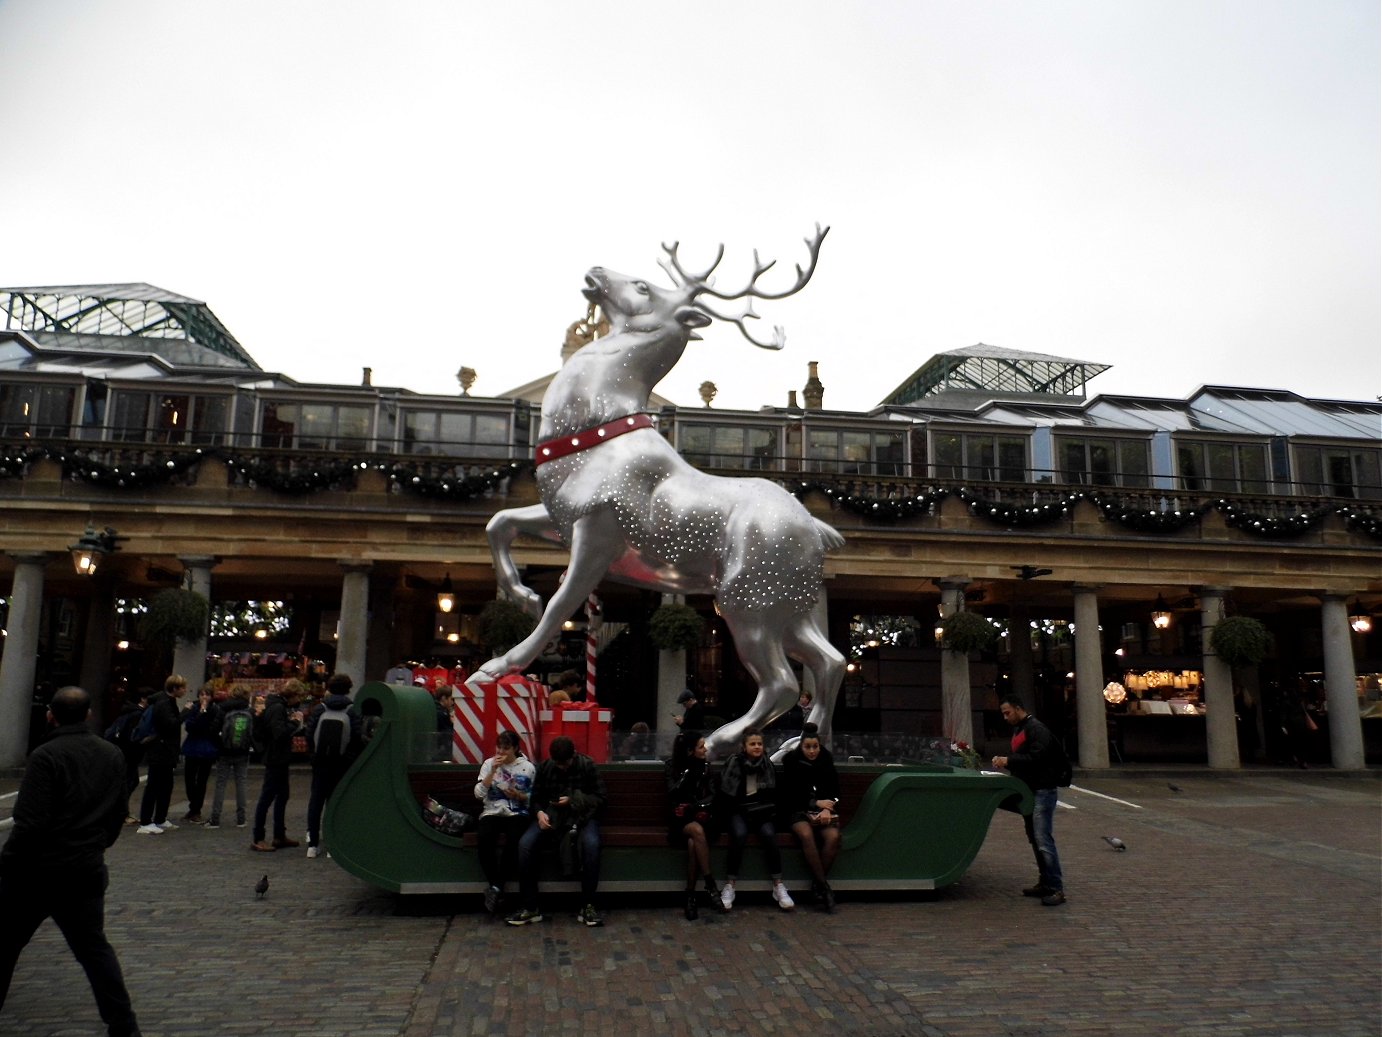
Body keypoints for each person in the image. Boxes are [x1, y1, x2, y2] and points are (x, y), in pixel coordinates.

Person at [0, 686, 142, 1037]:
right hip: (84, 868)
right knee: (94, 951)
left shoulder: (46, 756)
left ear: (51, 715)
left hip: (36, 872)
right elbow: (118, 810)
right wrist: (98, 844)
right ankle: (123, 1025)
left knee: (4, 946)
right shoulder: (111, 754)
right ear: (89, 714)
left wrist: (8, 862)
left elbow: (30, 823)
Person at [507, 735, 606, 927]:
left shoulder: (587, 766)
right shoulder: (546, 767)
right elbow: (535, 798)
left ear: (573, 755)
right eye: (557, 763)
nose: (561, 767)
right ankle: (530, 906)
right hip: (552, 816)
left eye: (565, 763)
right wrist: (540, 813)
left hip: (582, 817)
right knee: (525, 845)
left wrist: (573, 800)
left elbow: (601, 798)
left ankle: (588, 905)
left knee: (592, 845)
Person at [991, 693, 1067, 907]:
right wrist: (1009, 761)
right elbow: (1030, 757)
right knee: (1036, 837)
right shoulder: (1024, 728)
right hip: (1032, 789)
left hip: (1041, 790)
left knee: (1042, 838)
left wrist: (1009, 760)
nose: (1005, 717)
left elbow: (1038, 758)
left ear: (1017, 708)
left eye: (1007, 713)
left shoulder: (1036, 728)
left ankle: (1056, 887)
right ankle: (1046, 882)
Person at [717, 728, 794, 912]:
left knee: (769, 834)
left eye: (759, 743)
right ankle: (730, 884)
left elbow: (774, 795)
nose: (757, 747)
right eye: (752, 744)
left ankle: (778, 884)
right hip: (738, 811)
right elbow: (727, 794)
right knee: (739, 834)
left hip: (762, 813)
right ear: (744, 747)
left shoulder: (767, 765)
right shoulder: (734, 763)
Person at [779, 722, 841, 912]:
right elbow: (790, 795)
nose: (812, 751)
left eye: (815, 747)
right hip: (797, 811)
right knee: (806, 835)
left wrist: (827, 808)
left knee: (833, 837)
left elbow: (835, 791)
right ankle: (824, 887)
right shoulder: (791, 761)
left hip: (823, 813)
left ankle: (817, 885)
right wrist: (814, 804)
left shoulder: (826, 761)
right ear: (801, 746)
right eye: (808, 747)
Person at [665, 730, 725, 920]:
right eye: (701, 746)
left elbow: (712, 795)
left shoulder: (706, 767)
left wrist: (697, 806)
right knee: (696, 832)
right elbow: (673, 793)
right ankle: (710, 884)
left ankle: (690, 896)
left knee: (694, 843)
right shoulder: (672, 767)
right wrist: (688, 773)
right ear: (689, 751)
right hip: (680, 820)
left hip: (702, 816)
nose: (705, 749)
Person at [474, 730, 535, 915]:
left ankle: (496, 889)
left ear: (515, 748)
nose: (501, 752)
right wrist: (492, 771)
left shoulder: (528, 768)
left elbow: (533, 798)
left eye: (506, 748)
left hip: (516, 812)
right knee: (484, 838)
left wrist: (518, 795)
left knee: (514, 841)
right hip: (492, 810)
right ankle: (496, 887)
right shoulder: (488, 764)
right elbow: (478, 794)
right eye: (499, 747)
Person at [304, 673, 360, 858]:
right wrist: (349, 759)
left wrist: (313, 755)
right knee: (336, 803)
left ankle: (312, 844)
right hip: (341, 763)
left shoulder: (320, 708)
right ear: (348, 689)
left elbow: (309, 733)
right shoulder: (351, 711)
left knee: (316, 801)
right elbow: (356, 738)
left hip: (320, 762)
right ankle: (332, 845)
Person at [250, 679, 307, 852]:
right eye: (299, 696)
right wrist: (295, 723)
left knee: (282, 796)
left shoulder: (276, 706)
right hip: (275, 758)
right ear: (293, 695)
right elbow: (280, 733)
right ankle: (258, 837)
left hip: (279, 758)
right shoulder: (278, 708)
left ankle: (279, 835)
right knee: (267, 797)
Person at [135, 674, 189, 834]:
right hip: (160, 749)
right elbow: (170, 724)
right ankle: (145, 821)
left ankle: (160, 818)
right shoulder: (164, 703)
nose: (185, 690)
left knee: (165, 785)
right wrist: (186, 712)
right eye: (183, 688)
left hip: (165, 750)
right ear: (175, 688)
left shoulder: (166, 701)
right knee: (154, 785)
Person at [206, 685, 253, 829]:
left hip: (225, 751)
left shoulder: (223, 708)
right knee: (241, 783)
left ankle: (215, 818)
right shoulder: (248, 710)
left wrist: (220, 744)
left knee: (221, 784)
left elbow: (213, 729)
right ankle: (241, 819)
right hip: (243, 752)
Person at [103, 687, 150, 823]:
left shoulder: (130, 711)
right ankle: (120, 812)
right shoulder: (137, 714)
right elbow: (133, 736)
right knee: (129, 781)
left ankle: (120, 811)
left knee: (128, 781)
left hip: (123, 751)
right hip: (128, 753)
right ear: (143, 699)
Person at [178, 684, 220, 824]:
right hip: (193, 746)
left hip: (207, 747)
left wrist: (203, 717)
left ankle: (196, 809)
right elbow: (190, 726)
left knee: (202, 780)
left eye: (207, 694)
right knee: (189, 779)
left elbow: (212, 728)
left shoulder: (215, 709)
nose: (204, 697)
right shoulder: (193, 708)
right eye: (202, 694)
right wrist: (200, 714)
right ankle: (193, 806)